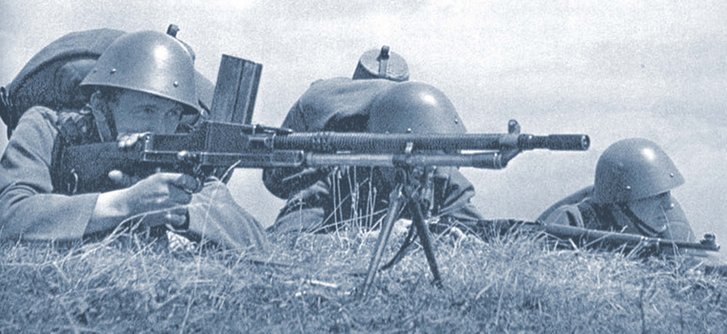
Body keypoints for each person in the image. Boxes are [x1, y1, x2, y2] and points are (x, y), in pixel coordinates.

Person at [0, 30, 269, 253]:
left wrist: (179, 211)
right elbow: (9, 213)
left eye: (172, 115)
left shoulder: (177, 156)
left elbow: (257, 240)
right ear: (100, 107)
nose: (161, 128)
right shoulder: (48, 128)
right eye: (146, 111)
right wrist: (124, 204)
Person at [262, 46, 484, 235]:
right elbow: (288, 238)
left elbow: (482, 230)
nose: (416, 167)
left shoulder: (438, 174)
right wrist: (373, 237)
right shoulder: (334, 177)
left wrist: (460, 237)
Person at [538, 138, 696, 243]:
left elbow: (695, 264)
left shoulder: (667, 218)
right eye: (657, 196)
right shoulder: (573, 221)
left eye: (667, 193)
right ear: (621, 203)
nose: (669, 205)